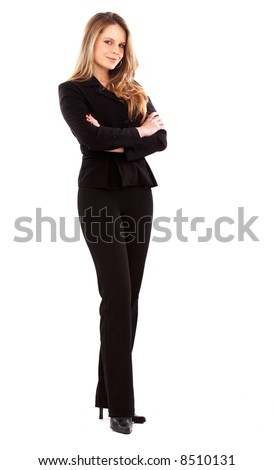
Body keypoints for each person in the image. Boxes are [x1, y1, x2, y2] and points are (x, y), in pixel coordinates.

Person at [58, 11, 167, 435]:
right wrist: (135, 135)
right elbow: (91, 140)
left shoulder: (134, 89)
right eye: (107, 41)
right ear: (92, 43)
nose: (114, 50)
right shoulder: (72, 91)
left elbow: (161, 138)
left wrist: (126, 139)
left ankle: (108, 396)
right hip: (99, 197)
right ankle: (122, 404)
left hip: (138, 195)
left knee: (130, 296)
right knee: (117, 295)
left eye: (120, 44)